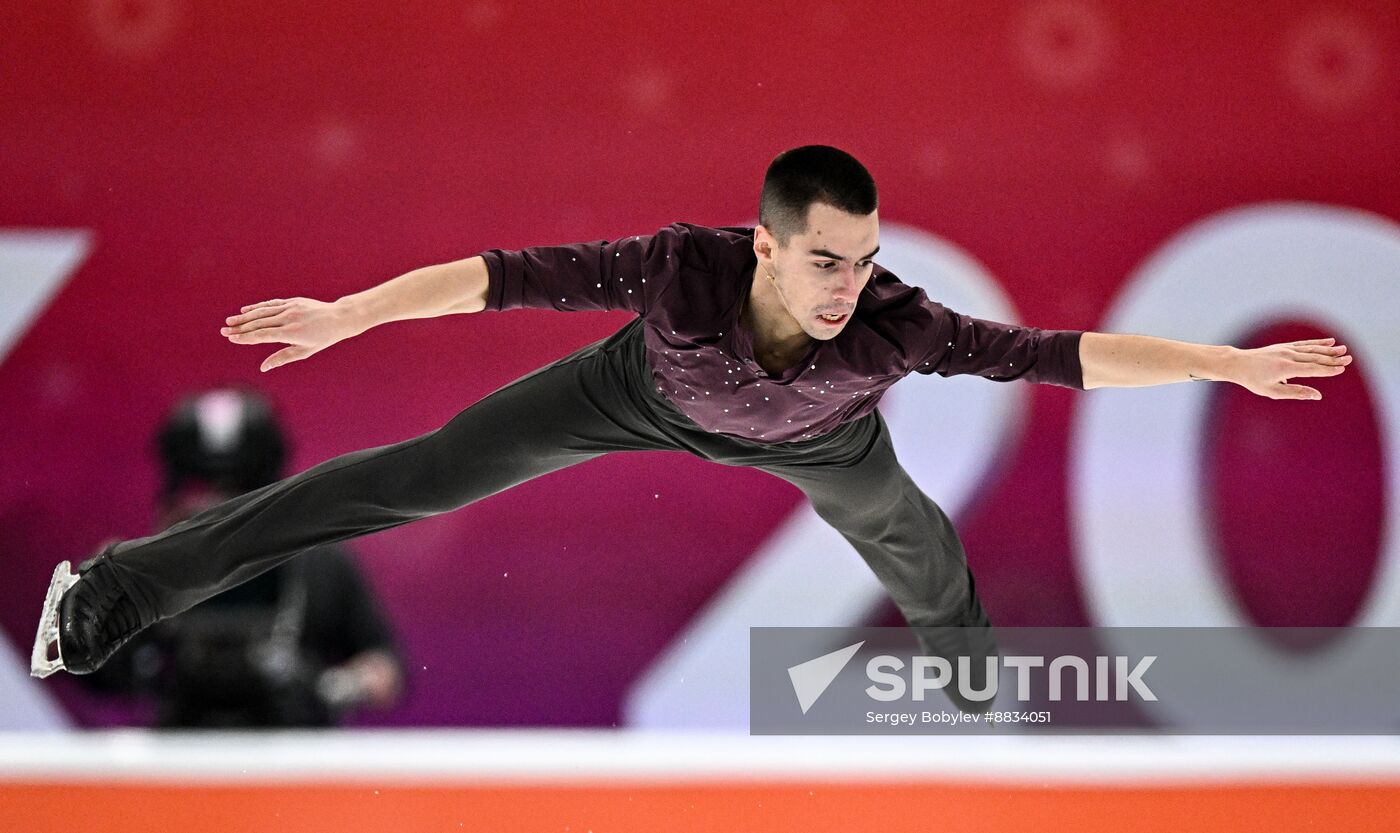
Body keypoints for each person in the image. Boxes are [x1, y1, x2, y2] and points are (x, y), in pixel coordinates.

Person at [32, 145, 1350, 713]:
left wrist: (1223, 362)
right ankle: (113, 592)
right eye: (829, 261)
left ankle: (969, 687)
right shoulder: (679, 271)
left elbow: (1064, 356)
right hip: (630, 396)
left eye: (867, 259)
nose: (853, 285)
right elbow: (502, 273)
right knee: (410, 480)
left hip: (819, 441)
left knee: (913, 542)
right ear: (765, 244)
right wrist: (351, 312)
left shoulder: (899, 327)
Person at [75, 389, 404, 727]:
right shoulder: (140, 573)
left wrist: (337, 686)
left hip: (295, 761)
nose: (219, 508)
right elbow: (91, 673)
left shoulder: (320, 563)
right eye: (200, 489)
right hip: (178, 763)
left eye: (240, 491)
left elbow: (387, 667)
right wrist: (93, 610)